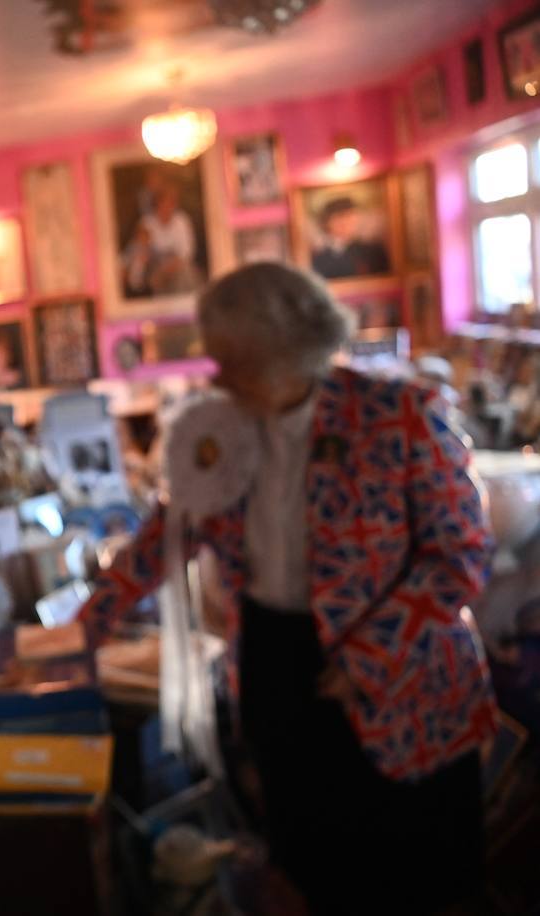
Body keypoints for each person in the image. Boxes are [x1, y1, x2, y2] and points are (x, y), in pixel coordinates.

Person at [78, 263, 497, 915]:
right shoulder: (219, 430)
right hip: (279, 660)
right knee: (312, 867)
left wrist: (367, 659)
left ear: (287, 352)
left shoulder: (399, 415)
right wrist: (79, 630)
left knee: (423, 875)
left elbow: (459, 553)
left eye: (232, 360)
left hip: (402, 671)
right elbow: (166, 536)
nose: (216, 377)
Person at [311, 196, 391, 279]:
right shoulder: (318, 258)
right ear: (327, 222)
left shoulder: (373, 251)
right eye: (339, 218)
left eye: (350, 218)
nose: (345, 224)